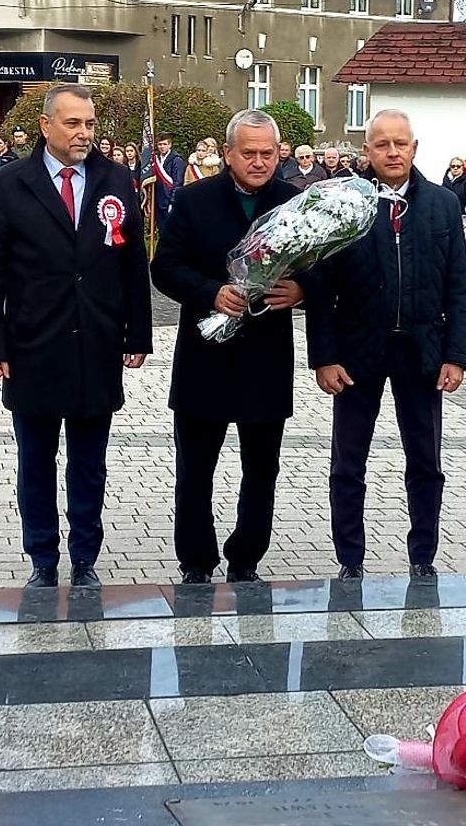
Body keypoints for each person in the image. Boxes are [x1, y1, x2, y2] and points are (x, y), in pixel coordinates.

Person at [0, 83, 152, 589]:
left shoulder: (117, 180)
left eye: (90, 124)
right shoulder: (11, 185)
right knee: (35, 463)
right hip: (33, 347)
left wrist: (137, 331)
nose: (84, 133)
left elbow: (132, 263)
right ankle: (43, 559)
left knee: (89, 465)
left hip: (95, 345)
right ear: (47, 126)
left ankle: (86, 556)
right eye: (73, 123)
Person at [305, 108, 466, 580]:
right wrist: (324, 357)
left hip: (422, 352)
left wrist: (456, 355)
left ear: (414, 148)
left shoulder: (441, 204)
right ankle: (350, 559)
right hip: (358, 354)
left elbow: (457, 286)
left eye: (401, 143)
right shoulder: (344, 204)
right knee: (348, 461)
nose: (392, 152)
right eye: (382, 144)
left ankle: (423, 556)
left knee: (425, 459)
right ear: (368, 151)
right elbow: (321, 286)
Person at [151, 109, 306, 584]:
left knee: (262, 469)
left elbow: (327, 270)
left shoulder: (297, 203)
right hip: (205, 360)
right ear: (227, 154)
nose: (259, 162)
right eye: (249, 153)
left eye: (268, 153)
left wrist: (303, 291)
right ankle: (196, 561)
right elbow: (165, 268)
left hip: (266, 358)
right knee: (195, 470)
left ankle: (246, 557)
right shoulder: (194, 200)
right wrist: (209, 292)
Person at [154, 133, 186, 232]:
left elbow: (178, 182)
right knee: (162, 230)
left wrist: (172, 201)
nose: (162, 147)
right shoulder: (155, 159)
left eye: (164, 144)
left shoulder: (176, 160)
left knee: (172, 231)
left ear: (170, 145)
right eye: (160, 144)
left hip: (169, 201)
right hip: (158, 201)